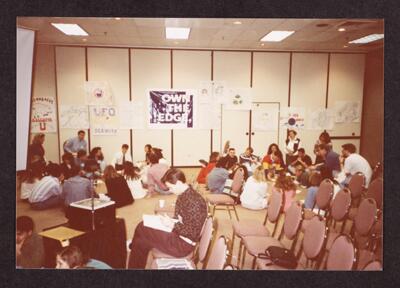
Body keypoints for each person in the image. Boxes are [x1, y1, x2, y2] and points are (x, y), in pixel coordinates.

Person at [128, 168, 207, 269]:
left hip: (182, 245)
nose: (170, 190)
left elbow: (193, 233)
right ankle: (135, 252)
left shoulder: (194, 202)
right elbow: (182, 219)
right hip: (179, 235)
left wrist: (172, 225)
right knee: (142, 233)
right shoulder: (184, 194)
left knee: (142, 229)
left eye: (171, 187)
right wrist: (170, 222)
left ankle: (134, 254)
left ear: (178, 182)